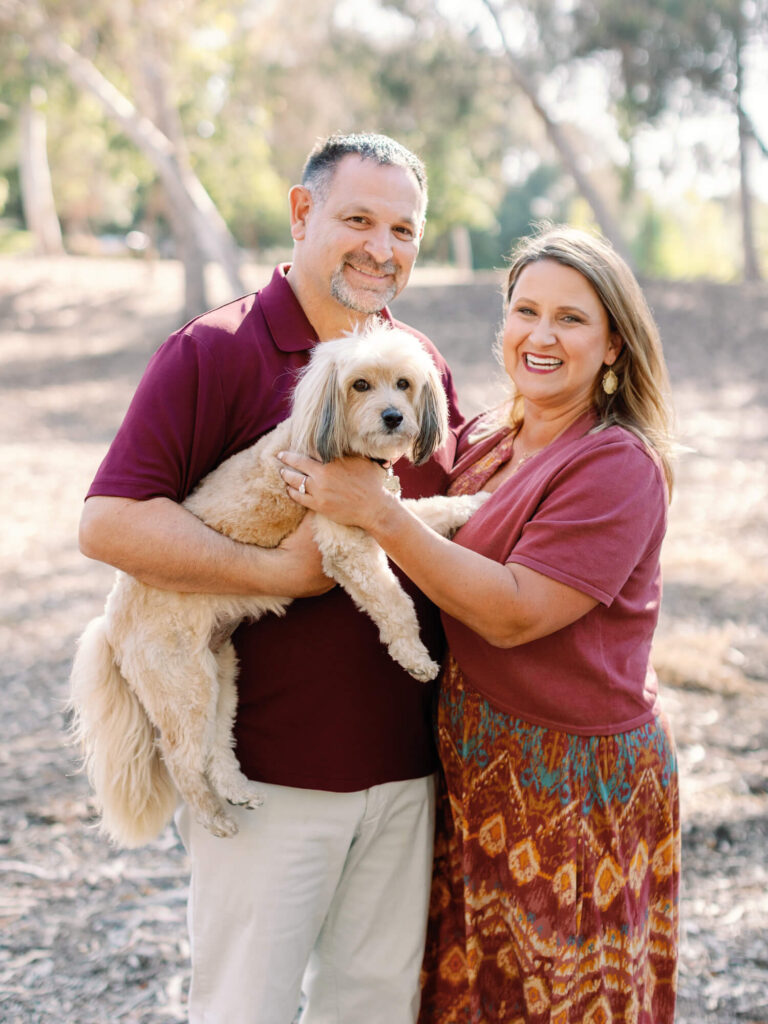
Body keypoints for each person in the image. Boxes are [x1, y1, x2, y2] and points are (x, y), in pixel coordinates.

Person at [78, 132, 465, 1024]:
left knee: (370, 1010)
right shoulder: (214, 351)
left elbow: (439, 515)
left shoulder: (415, 363)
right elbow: (108, 522)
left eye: (403, 230)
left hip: (406, 772)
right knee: (245, 1009)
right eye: (358, 219)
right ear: (302, 214)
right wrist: (279, 570)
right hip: (269, 777)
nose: (382, 248)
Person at [278, 225, 681, 1023]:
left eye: (571, 318)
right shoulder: (489, 438)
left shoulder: (616, 464)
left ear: (612, 348)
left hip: (572, 784)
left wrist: (379, 518)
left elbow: (513, 613)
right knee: (471, 998)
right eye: (524, 310)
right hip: (474, 768)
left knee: (560, 998)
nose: (540, 334)